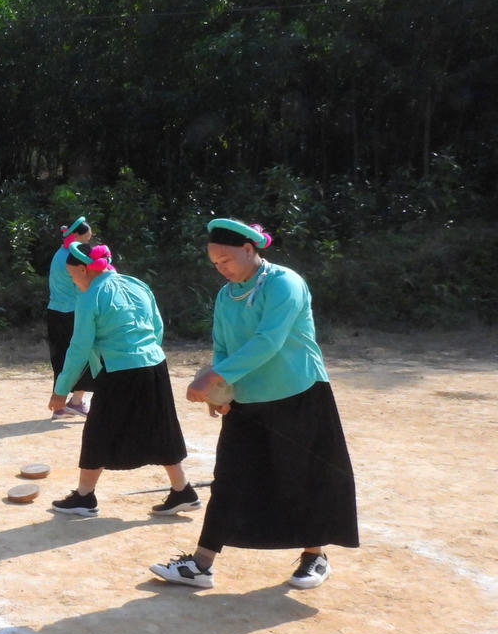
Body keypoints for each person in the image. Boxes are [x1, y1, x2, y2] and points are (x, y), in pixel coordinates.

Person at [150, 219, 358, 589]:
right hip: (246, 400)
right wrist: (221, 391)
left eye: (226, 260)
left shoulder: (284, 283)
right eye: (215, 263)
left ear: (249, 250)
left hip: (298, 393)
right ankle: (201, 565)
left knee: (302, 476)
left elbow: (268, 341)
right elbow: (222, 346)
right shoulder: (226, 295)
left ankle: (314, 556)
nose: (221, 268)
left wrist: (212, 377)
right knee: (229, 478)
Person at [46, 241, 196, 516]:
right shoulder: (136, 284)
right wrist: (144, 355)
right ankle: (182, 490)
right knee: (161, 427)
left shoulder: (90, 296)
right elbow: (157, 326)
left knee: (98, 430)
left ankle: (84, 497)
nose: (72, 281)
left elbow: (79, 347)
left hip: (120, 370)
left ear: (84, 270)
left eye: (72, 275)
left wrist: (61, 389)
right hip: (154, 364)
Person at [47, 217, 95, 418]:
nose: (87, 243)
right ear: (75, 236)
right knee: (86, 355)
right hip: (73, 314)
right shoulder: (74, 258)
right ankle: (76, 402)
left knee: (60, 359)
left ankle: (59, 407)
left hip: (55, 313)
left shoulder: (60, 254)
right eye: (86, 239)